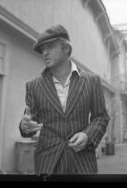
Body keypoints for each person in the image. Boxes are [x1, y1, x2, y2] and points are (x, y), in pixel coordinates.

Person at [19, 24, 110, 175]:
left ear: (66, 48)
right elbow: (29, 124)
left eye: (50, 47)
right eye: (42, 49)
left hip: (82, 163)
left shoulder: (92, 81)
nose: (45, 53)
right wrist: (24, 127)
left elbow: (101, 117)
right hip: (47, 164)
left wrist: (87, 135)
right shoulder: (33, 86)